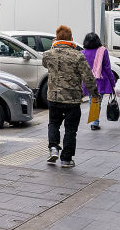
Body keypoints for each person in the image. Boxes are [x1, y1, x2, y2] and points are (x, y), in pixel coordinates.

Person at [42, 25, 99, 168]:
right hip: (72, 99)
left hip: (53, 98)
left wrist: (53, 46)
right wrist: (94, 93)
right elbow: (88, 77)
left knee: (54, 123)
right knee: (70, 129)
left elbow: (45, 64)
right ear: (71, 39)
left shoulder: (48, 54)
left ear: (56, 38)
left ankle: (53, 148)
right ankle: (66, 159)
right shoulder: (78, 56)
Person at [81, 32, 114, 130]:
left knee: (93, 100)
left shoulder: (82, 53)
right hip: (100, 80)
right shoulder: (103, 51)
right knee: (96, 101)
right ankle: (94, 123)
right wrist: (112, 82)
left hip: (88, 80)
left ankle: (94, 121)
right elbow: (107, 68)